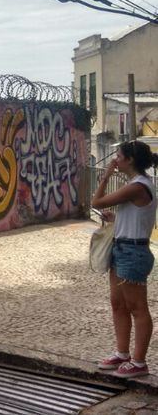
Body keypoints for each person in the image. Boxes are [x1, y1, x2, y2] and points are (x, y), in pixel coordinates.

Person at [93, 140, 158, 378]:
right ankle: (122, 354)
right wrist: (115, 221)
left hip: (133, 252)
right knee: (118, 305)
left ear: (130, 160)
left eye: (118, 156)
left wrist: (106, 176)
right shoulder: (136, 184)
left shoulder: (138, 186)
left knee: (137, 308)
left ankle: (139, 362)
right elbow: (137, 218)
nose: (114, 160)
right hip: (122, 249)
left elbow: (96, 202)